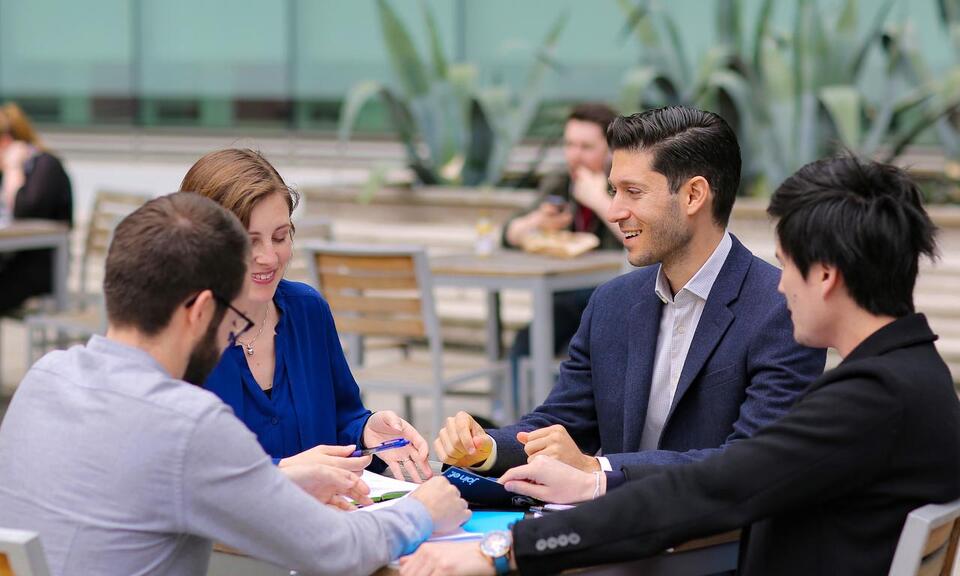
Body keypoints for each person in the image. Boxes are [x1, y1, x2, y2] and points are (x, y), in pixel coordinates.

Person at [402, 155, 960, 576]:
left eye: (787, 266)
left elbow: (714, 488)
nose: (781, 285)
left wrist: (503, 552)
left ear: (826, 275)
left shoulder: (871, 399)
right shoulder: (915, 377)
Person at [0, 192, 469, 576]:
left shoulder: (45, 378)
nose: (235, 331)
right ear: (201, 310)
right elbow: (334, 551)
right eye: (233, 317)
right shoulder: (186, 423)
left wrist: (278, 479)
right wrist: (425, 509)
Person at [435, 106, 825, 476]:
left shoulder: (782, 310)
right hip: (611, 527)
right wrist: (484, 447)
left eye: (632, 192)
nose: (614, 211)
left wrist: (598, 470)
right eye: (613, 190)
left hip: (716, 539)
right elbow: (563, 424)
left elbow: (750, 463)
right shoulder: (611, 303)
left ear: (693, 195)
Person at [180, 148, 431, 482]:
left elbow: (344, 418)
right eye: (249, 241)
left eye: (280, 236)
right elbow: (177, 470)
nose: (269, 257)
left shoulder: (307, 310)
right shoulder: (175, 335)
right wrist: (282, 472)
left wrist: (368, 431)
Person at [501, 103, 622, 401]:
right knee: (526, 340)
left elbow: (644, 235)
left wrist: (599, 200)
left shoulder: (624, 183)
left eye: (586, 146)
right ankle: (510, 418)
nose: (575, 155)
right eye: (569, 145)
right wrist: (536, 222)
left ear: (610, 151)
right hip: (564, 297)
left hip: (614, 299)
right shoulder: (560, 181)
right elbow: (507, 233)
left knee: (575, 343)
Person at [0, 102, 73, 314]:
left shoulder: (44, 165)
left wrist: (13, 167)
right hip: (11, 262)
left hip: (40, 270)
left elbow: (24, 210)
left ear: (6, 141)